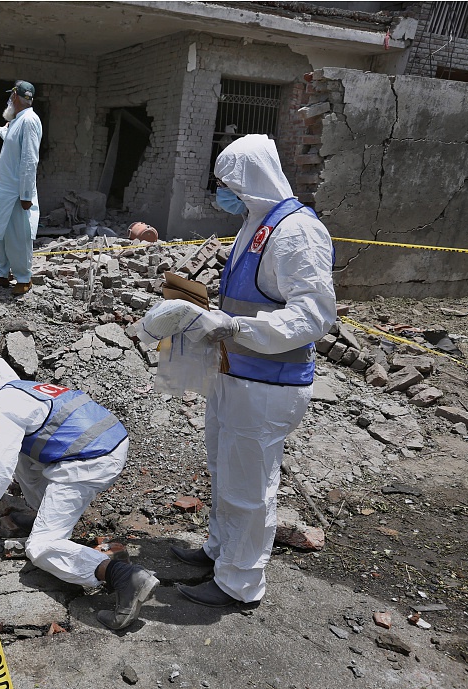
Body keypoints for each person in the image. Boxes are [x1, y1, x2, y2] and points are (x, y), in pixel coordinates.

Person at [136, 134, 336, 607]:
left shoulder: (297, 232)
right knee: (225, 472)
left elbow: (314, 316)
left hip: (269, 383)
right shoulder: (257, 222)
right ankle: (220, 552)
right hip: (235, 373)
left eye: (229, 183)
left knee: (250, 488)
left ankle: (240, 583)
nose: (223, 191)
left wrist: (235, 326)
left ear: (251, 180)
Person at [0, 357, 160, 630]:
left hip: (90, 460)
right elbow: (21, 460)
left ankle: (123, 576)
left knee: (40, 548)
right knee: (22, 455)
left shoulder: (4, 403)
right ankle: (47, 520)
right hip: (112, 442)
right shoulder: (36, 390)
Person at [0, 80, 42, 295]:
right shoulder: (17, 121)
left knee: (18, 236)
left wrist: (26, 194)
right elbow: (12, 141)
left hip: (16, 192)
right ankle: (0, 275)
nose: (9, 100)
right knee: (1, 234)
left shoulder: (30, 120)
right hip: (4, 190)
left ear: (15, 96)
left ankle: (24, 278)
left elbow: (30, 160)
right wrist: (0, 131)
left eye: (11, 96)